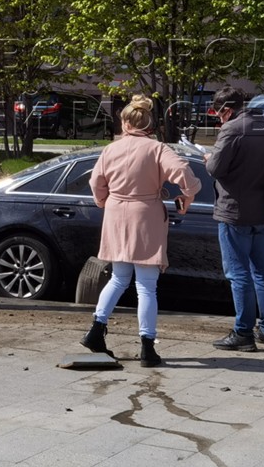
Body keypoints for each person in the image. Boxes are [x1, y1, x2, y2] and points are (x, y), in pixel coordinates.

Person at [80, 94, 199, 367]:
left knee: (118, 278)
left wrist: (103, 201)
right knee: (146, 286)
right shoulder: (156, 149)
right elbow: (184, 172)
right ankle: (147, 347)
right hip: (145, 214)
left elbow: (95, 181)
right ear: (149, 123)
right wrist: (188, 196)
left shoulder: (111, 149)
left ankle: (96, 330)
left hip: (115, 212)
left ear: (125, 123)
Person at [205, 90, 264, 351]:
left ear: (226, 109)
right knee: (262, 271)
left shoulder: (232, 129)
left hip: (233, 210)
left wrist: (208, 158)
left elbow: (215, 169)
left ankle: (243, 333)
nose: (219, 118)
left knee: (238, 274)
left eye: (218, 113)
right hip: (261, 210)